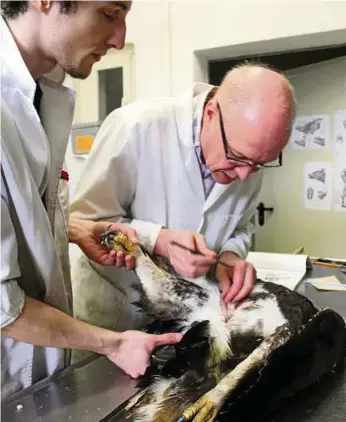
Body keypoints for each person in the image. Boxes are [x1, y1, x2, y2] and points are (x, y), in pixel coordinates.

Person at [1, 0, 181, 400]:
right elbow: (3, 306)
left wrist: (74, 229)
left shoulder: (41, 94)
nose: (120, 39)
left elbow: (18, 211)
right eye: (110, 14)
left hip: (38, 369)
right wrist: (113, 343)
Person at [69, 63, 296, 361]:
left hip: (189, 322)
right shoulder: (135, 127)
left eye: (259, 164)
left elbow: (242, 224)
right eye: (237, 158)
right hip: (114, 321)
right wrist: (157, 240)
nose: (244, 175)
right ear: (212, 114)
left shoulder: (249, 156)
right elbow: (83, 222)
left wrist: (231, 254)